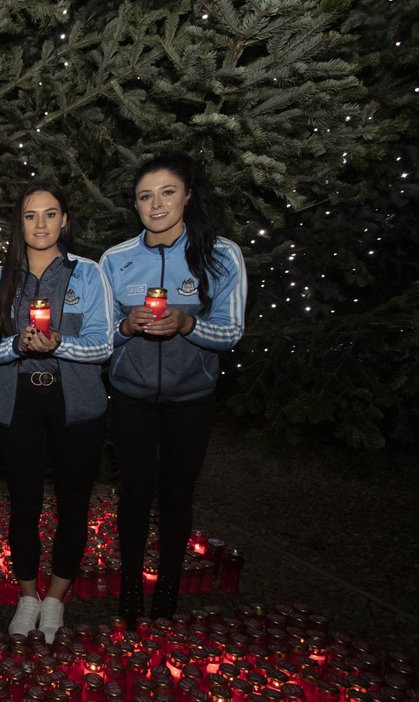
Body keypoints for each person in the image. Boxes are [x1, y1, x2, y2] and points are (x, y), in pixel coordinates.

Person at [100, 152, 247, 627]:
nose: (156, 204)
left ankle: (167, 591)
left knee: (177, 496)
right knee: (134, 494)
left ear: (187, 196)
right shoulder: (116, 260)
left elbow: (232, 331)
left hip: (191, 399)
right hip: (132, 398)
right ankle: (129, 590)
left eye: (167, 192)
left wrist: (188, 324)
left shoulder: (220, 255)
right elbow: (101, 337)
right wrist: (126, 326)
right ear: (135, 205)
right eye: (145, 196)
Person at [0, 183, 113, 643]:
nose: (40, 224)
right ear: (18, 224)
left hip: (76, 407)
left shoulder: (88, 273)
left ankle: (56, 597)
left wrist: (60, 344)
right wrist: (16, 346)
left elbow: (104, 343)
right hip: (18, 404)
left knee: (73, 505)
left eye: (50, 214)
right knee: (23, 506)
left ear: (64, 220)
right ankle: (27, 596)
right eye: (30, 215)